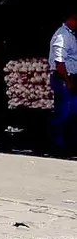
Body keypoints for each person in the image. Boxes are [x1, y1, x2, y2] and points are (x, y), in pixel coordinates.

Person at [49, 8, 77, 153]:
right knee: (63, 113)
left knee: (73, 112)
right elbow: (59, 63)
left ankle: (70, 143)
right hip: (62, 79)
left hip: (69, 78)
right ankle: (57, 145)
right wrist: (68, 81)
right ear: (71, 19)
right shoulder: (62, 35)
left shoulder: (71, 35)